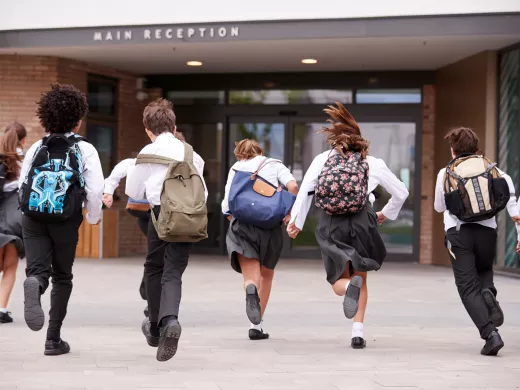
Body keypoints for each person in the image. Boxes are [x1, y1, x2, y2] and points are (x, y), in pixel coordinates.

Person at [287, 102, 409, 349]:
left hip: (332, 223)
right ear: (359, 139)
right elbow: (402, 192)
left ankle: (346, 288)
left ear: (335, 140)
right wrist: (385, 213)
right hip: (363, 220)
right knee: (360, 275)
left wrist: (296, 221)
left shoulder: (323, 160)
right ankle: (358, 333)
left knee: (337, 282)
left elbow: (306, 192)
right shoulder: (372, 162)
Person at [20, 84, 104, 356]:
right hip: (65, 218)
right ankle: (53, 340)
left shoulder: (36, 147)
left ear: (46, 117)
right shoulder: (85, 149)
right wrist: (93, 217)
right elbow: (95, 189)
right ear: (78, 119)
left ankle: (36, 283)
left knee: (37, 269)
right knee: (63, 276)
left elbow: (24, 184)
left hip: (32, 217)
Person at [126, 99, 207, 362]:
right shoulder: (192, 153)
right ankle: (170, 319)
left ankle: (154, 327)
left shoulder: (148, 152)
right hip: (188, 217)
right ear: (173, 126)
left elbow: (134, 192)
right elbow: (201, 187)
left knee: (154, 267)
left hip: (161, 214)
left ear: (148, 129)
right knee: (173, 271)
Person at [434, 127, 519, 356]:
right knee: (484, 271)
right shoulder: (493, 169)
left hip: (459, 233)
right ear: (476, 146)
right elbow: (510, 200)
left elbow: (439, 207)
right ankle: (488, 291)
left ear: (452, 149)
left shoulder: (446, 173)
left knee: (467, 288)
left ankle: (490, 335)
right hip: (487, 232)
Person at [102, 131, 188, 318]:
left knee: (156, 261)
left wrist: (109, 190)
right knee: (166, 263)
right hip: (167, 216)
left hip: (150, 214)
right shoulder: (189, 159)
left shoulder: (152, 154)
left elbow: (127, 174)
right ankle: (159, 308)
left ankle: (152, 301)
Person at [221, 139, 298, 340]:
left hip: (243, 226)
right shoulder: (274, 164)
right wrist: (288, 212)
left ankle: (250, 289)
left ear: (239, 154)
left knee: (250, 276)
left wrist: (233, 218)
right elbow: (293, 186)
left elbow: (227, 201)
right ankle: (257, 326)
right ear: (260, 152)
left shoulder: (236, 168)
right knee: (267, 274)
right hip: (269, 226)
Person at [0, 123, 27, 323]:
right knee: (9, 268)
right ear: (23, 140)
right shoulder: (24, 161)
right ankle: (1, 309)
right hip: (14, 221)